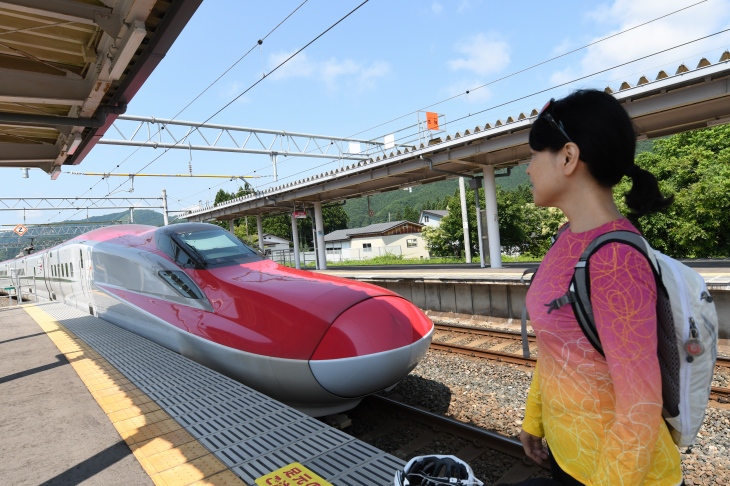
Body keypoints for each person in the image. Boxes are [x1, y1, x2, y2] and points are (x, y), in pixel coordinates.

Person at [516, 89, 683, 485]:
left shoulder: (614, 259)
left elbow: (640, 405)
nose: (527, 169)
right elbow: (558, 344)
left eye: (534, 154)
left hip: (617, 473)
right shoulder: (565, 239)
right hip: (569, 456)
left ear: (568, 157)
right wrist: (535, 418)